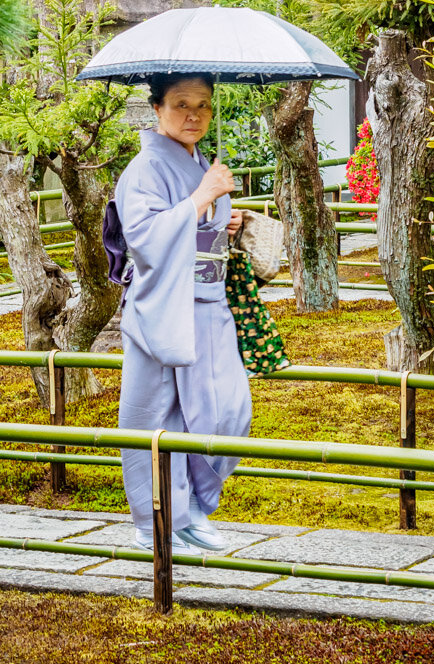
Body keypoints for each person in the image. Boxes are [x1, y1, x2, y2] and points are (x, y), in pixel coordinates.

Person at [113, 73, 252, 555]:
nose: (194, 115)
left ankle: (191, 509)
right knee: (155, 414)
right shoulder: (146, 168)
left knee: (226, 410)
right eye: (180, 104)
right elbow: (144, 236)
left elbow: (202, 224)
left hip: (209, 305)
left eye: (203, 105)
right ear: (157, 109)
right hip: (164, 306)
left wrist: (227, 220)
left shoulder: (199, 163)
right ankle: (154, 521)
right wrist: (202, 198)